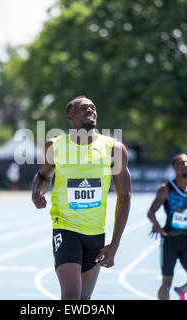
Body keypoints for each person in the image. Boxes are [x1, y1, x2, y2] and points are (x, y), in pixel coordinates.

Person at [31, 96, 131, 300]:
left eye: (93, 107)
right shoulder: (55, 145)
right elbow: (43, 176)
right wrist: (37, 192)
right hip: (65, 228)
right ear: (70, 116)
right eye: (83, 108)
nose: (90, 110)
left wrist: (114, 244)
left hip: (95, 233)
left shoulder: (114, 149)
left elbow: (124, 196)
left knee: (83, 300)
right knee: (70, 296)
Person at [147, 153, 187, 300]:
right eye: (181, 163)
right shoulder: (166, 190)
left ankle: (181, 290)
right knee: (166, 282)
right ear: (174, 167)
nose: (185, 165)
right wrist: (156, 225)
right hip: (170, 240)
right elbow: (151, 211)